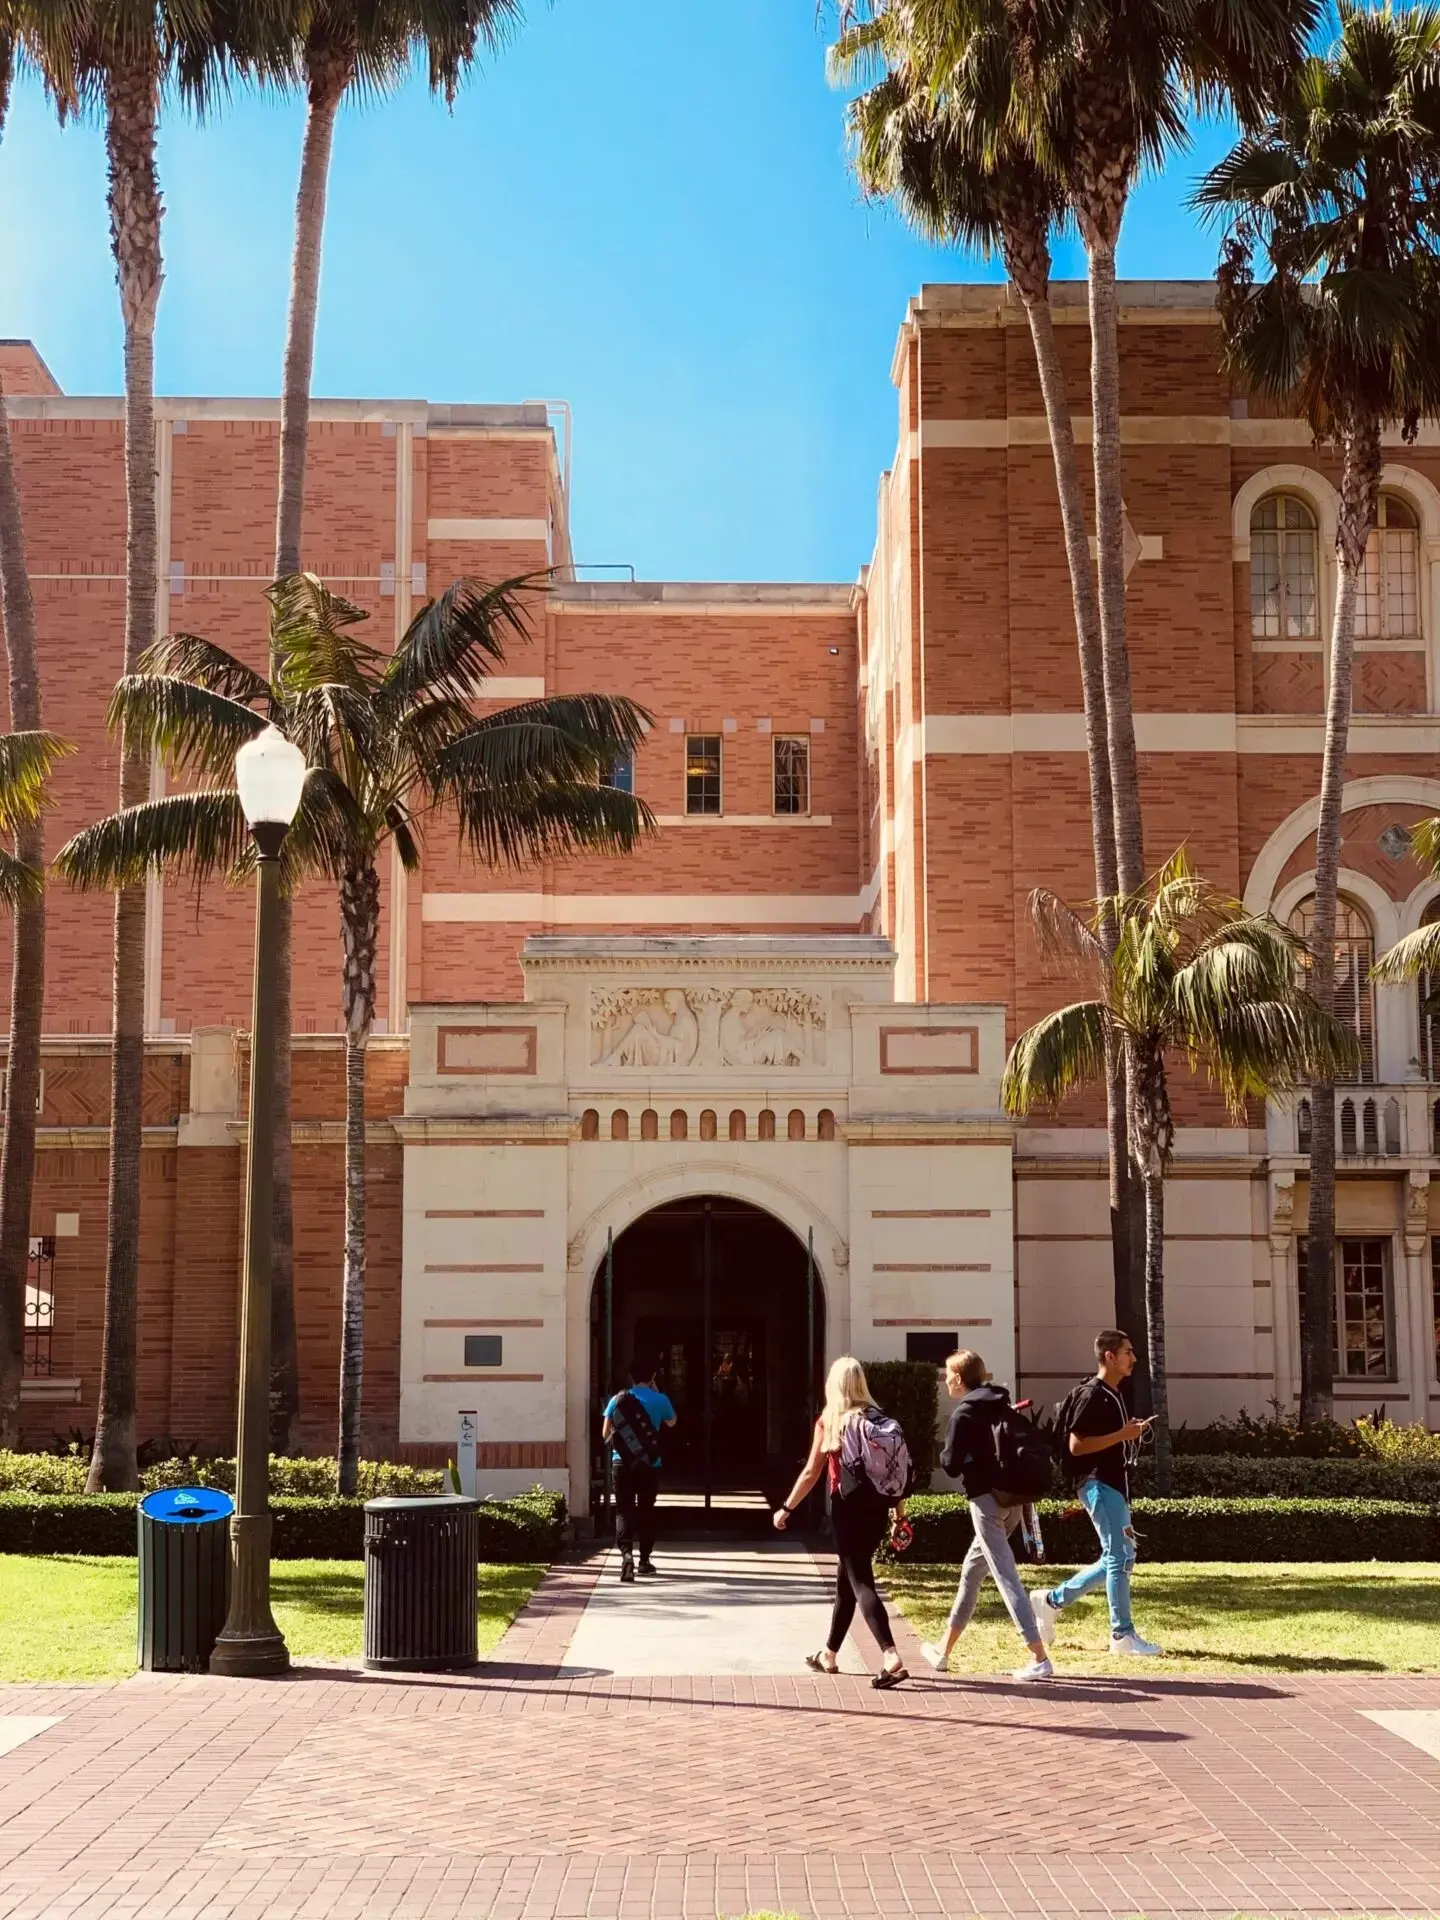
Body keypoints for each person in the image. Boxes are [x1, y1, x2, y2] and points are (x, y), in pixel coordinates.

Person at [773, 1355, 909, 1689]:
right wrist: (899, 1515)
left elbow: (811, 1472)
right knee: (846, 1581)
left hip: (848, 1510)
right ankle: (830, 1654)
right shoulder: (881, 1420)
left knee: (860, 1580)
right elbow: (896, 1472)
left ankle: (890, 1655)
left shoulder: (831, 1421)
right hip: (877, 1509)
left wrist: (786, 1508)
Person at [920, 1349, 1053, 1681]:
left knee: (1006, 1576)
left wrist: (964, 1458)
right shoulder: (1000, 1403)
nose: (946, 1379)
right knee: (972, 1572)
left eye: (949, 1373)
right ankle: (943, 1650)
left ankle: (1039, 1656)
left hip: (985, 1503)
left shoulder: (964, 1413)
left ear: (960, 1378)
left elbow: (949, 1465)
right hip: (1010, 1502)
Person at [1031, 1329, 1163, 1657]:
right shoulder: (1093, 1394)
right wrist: (1122, 1434)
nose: (1133, 1358)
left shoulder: (1113, 1393)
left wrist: (1126, 1432)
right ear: (1110, 1356)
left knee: (1120, 1556)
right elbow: (1076, 1446)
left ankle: (1051, 1601)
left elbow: (1105, 1437)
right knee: (1119, 1556)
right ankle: (1122, 1635)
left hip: (1112, 1484)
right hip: (1098, 1484)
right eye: (1128, 1352)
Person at [602, 1355, 677, 1583]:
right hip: (649, 1464)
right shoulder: (660, 1400)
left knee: (623, 1510)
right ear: (652, 1377)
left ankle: (626, 1556)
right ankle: (645, 1560)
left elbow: (605, 1433)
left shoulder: (618, 1399)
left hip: (621, 1463)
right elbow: (672, 1422)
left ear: (631, 1377)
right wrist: (656, 1390)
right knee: (646, 1509)